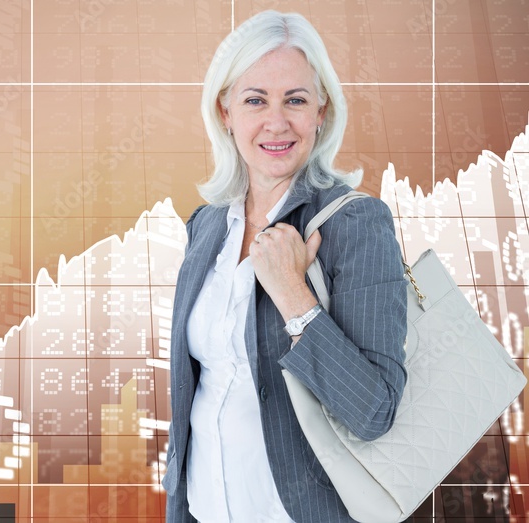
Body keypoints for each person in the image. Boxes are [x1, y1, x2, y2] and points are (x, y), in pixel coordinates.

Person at [162, 10, 408, 523]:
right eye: (256, 100)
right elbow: (196, 397)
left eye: (295, 100)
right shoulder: (206, 227)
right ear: (225, 111)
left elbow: (374, 412)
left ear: (322, 111)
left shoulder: (357, 223)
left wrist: (294, 296)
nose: (277, 122)